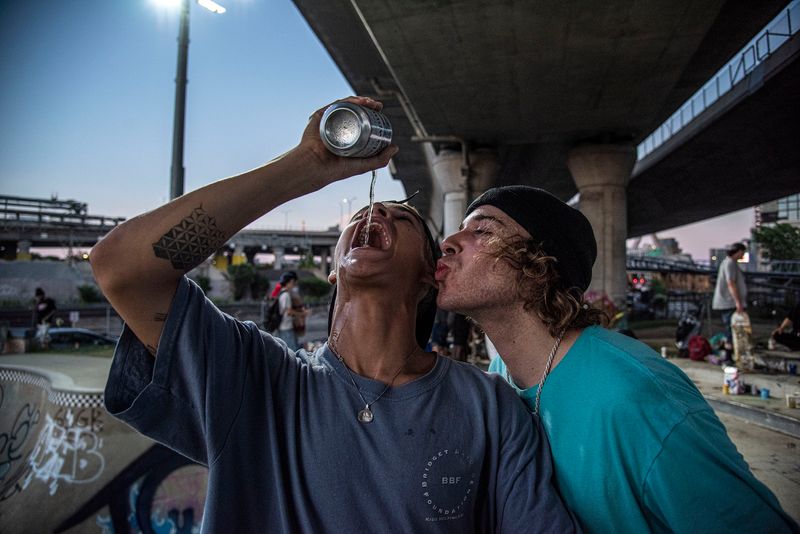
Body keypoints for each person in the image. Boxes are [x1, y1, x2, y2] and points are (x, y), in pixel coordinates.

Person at [91, 97, 576, 532]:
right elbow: (120, 268)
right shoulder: (256, 378)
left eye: (402, 217)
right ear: (332, 271)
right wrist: (306, 165)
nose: (376, 215)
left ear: (432, 274)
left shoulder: (490, 407)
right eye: (363, 216)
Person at [435, 185, 797, 533]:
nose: (448, 243)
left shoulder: (633, 395)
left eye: (482, 230)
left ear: (540, 264)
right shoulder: (503, 374)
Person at [712, 242, 748, 346]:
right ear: (738, 251)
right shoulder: (730, 263)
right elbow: (731, 283)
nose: (743, 255)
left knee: (731, 328)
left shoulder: (729, 263)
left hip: (729, 302)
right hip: (729, 302)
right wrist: (738, 302)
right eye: (743, 252)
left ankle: (729, 352)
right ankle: (728, 354)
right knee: (731, 329)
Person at [275, 271, 303, 350]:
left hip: (284, 327)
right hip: (286, 327)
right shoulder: (286, 295)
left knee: (287, 350)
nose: (293, 284)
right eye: (293, 282)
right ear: (290, 282)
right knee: (292, 351)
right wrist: (301, 314)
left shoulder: (281, 293)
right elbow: (289, 311)